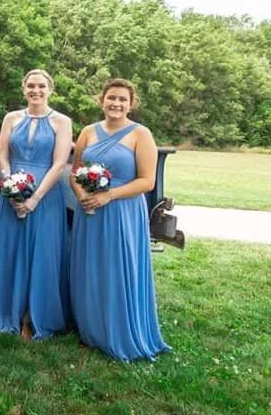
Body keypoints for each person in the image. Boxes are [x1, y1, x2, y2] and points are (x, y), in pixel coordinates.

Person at [69, 78, 170, 361]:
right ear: (101, 100)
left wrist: (108, 196)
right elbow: (74, 171)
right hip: (89, 211)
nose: (116, 103)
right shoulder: (88, 131)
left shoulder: (141, 134)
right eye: (111, 98)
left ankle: (118, 330)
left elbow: (147, 181)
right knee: (90, 268)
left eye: (122, 100)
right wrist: (82, 195)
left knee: (117, 268)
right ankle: (91, 330)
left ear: (131, 104)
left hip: (122, 211)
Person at [0, 69, 72, 340]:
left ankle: (32, 317)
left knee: (39, 254)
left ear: (50, 89)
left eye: (41, 86)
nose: (36, 91)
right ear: (24, 89)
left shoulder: (61, 121)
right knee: (6, 251)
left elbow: (58, 164)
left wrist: (33, 199)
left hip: (45, 196)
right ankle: (1, 311)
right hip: (10, 195)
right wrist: (11, 187)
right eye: (31, 86)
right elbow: (3, 156)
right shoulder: (11, 118)